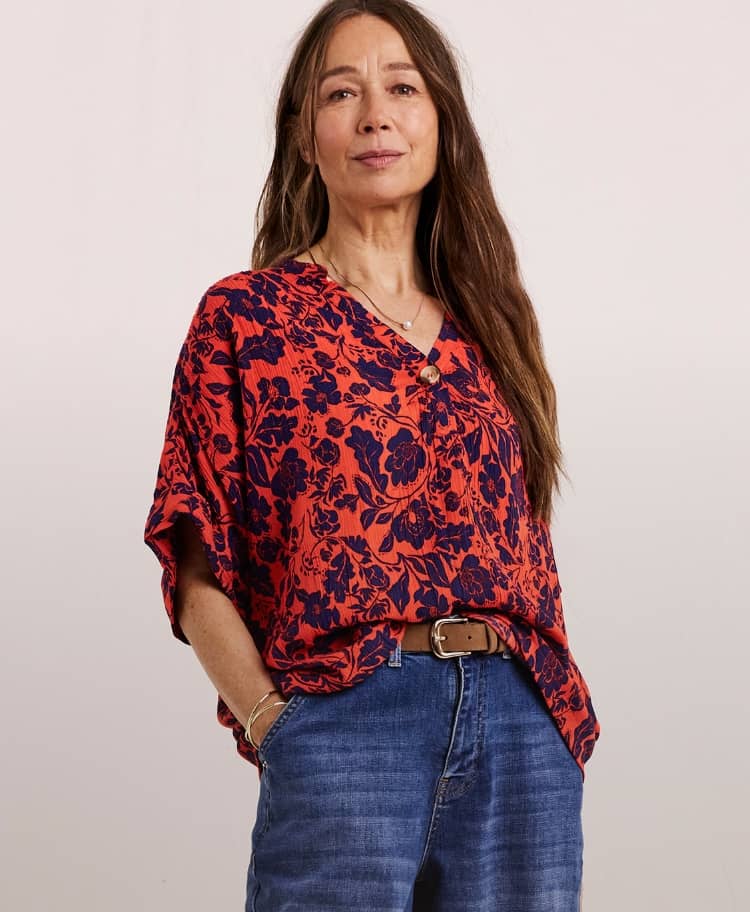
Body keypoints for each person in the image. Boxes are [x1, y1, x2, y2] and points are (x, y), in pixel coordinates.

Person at [143, 2, 600, 909]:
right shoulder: (247, 319)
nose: (375, 115)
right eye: (341, 93)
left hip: (521, 720)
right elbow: (193, 561)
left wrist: (552, 726)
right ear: (305, 135)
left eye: (402, 87)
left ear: (441, 123)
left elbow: (526, 540)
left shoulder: (492, 326)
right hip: (347, 721)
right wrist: (282, 728)